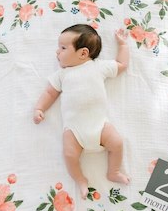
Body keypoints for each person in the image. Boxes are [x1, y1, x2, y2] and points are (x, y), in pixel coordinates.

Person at [33, 24, 130, 199]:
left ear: (83, 53)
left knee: (117, 143)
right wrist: (40, 108)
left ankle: (113, 171)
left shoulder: (98, 67)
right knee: (69, 155)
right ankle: (80, 179)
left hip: (100, 125)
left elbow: (122, 64)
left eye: (62, 48)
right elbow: (49, 93)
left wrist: (123, 45)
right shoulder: (61, 75)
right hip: (74, 129)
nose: (57, 52)